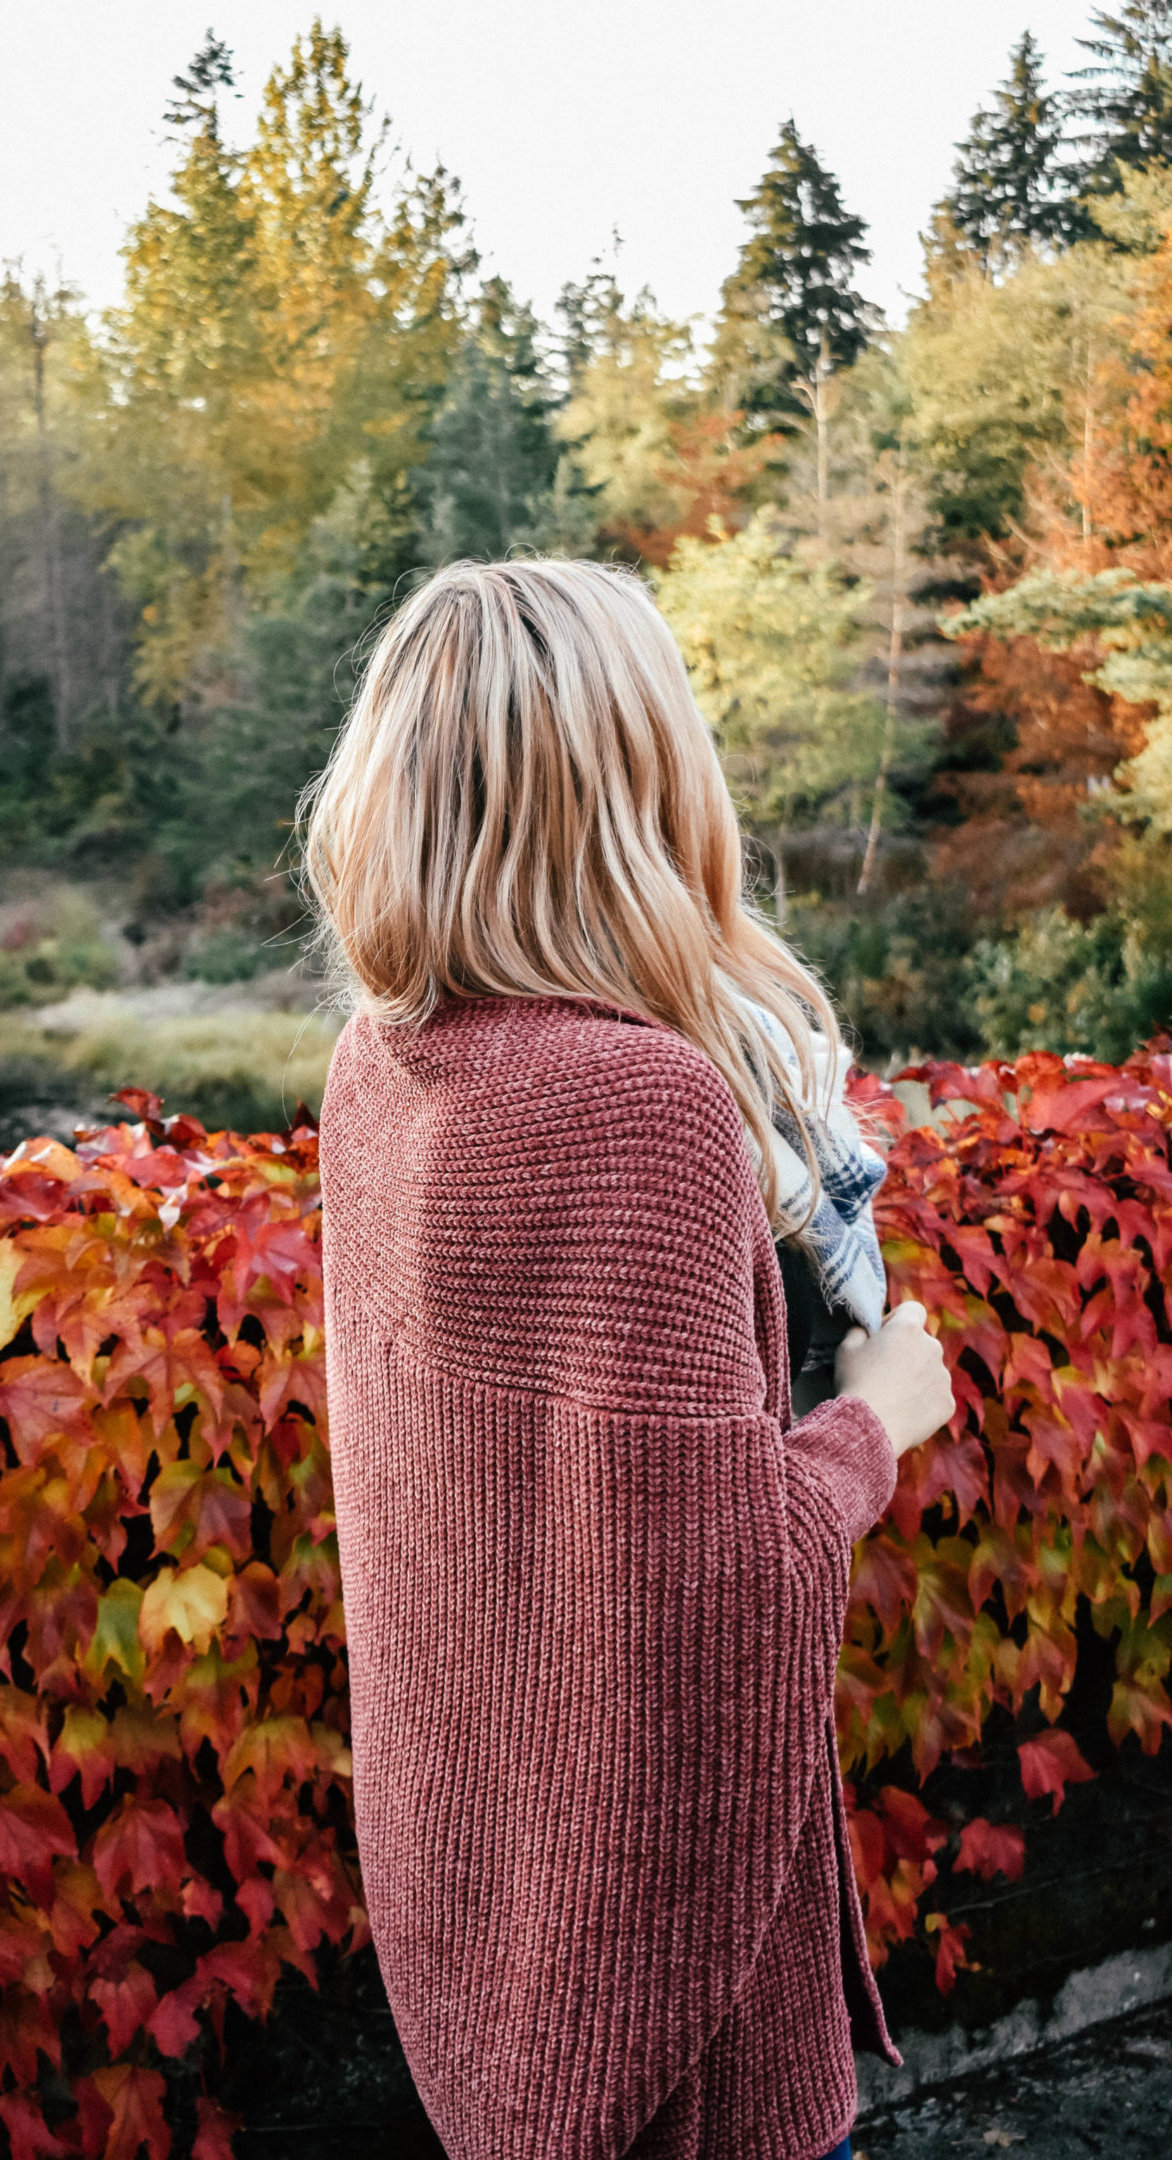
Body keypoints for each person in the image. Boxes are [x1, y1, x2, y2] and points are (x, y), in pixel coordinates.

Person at [300, 558, 955, 2160]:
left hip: (485, 1918)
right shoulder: (639, 1104)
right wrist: (877, 1424)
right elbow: (719, 1600)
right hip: (678, 2034)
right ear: (645, 779)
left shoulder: (378, 1068)